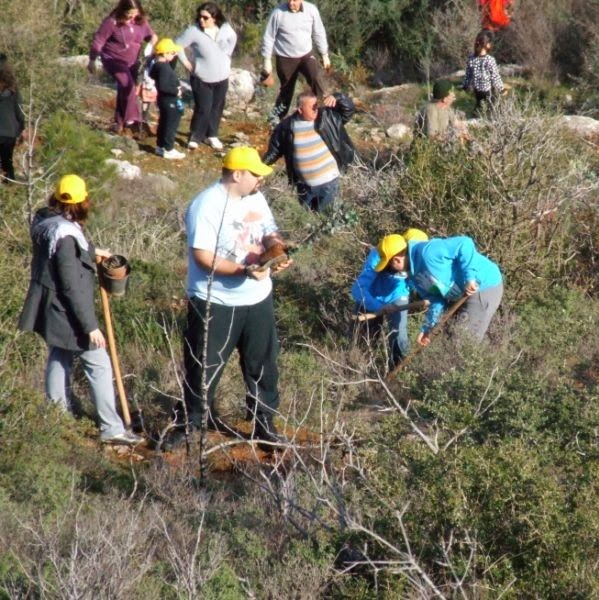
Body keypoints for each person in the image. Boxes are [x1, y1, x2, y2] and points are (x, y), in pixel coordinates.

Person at [166, 147, 292, 449]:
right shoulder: (206, 205)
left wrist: (277, 251)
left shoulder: (256, 198)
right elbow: (202, 257)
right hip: (215, 301)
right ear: (237, 174)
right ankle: (189, 424)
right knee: (204, 365)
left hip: (257, 299)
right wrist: (243, 270)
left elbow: (269, 231)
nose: (261, 179)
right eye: (255, 173)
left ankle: (264, 425)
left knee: (263, 364)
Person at [18, 175, 143, 446]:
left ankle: (56, 419)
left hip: (49, 306)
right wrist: (90, 327)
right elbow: (71, 285)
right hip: (67, 311)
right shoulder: (66, 238)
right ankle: (111, 429)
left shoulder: (45, 220)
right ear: (83, 201)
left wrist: (91, 250)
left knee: (59, 356)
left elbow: (69, 245)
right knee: (98, 363)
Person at [374, 233, 503, 347]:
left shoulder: (428, 251)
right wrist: (427, 328)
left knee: (462, 343)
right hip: (460, 295)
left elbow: (465, 243)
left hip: (484, 286)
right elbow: (435, 299)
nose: (391, 269)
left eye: (389, 265)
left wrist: (470, 278)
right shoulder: (414, 277)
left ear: (396, 260)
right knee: (449, 340)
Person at [262, 89, 354, 212]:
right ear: (300, 109)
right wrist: (257, 169)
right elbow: (273, 152)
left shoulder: (327, 117)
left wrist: (338, 97)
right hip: (304, 187)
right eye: (312, 107)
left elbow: (348, 110)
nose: (316, 108)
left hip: (329, 183)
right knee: (307, 222)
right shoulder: (285, 127)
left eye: (317, 105)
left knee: (327, 220)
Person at [352, 228, 428, 367]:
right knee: (363, 338)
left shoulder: (419, 260)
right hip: (371, 297)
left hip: (397, 297)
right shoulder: (380, 254)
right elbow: (358, 289)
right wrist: (378, 307)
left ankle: (399, 371)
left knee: (400, 335)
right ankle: (360, 369)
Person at [89, 0, 158, 134]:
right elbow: (98, 41)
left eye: (134, 13)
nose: (131, 17)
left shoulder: (140, 21)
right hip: (113, 59)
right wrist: (92, 60)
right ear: (122, 11)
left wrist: (151, 44)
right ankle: (133, 119)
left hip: (132, 61)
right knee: (128, 85)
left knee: (124, 90)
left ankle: (118, 123)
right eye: (129, 14)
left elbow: (152, 36)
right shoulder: (111, 22)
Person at [176, 2, 238, 151]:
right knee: (204, 107)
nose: (201, 20)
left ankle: (212, 135)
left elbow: (233, 39)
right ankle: (196, 136)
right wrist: (186, 63)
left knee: (217, 107)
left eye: (205, 17)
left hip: (222, 77)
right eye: (200, 17)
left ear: (215, 18)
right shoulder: (194, 31)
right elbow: (177, 45)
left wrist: (227, 57)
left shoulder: (225, 28)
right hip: (202, 77)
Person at [260, 0, 331, 126]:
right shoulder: (278, 13)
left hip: (306, 54)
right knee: (286, 89)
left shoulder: (311, 10)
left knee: (316, 79)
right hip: (285, 57)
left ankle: (322, 114)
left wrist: (324, 54)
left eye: (295, 0)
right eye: (289, 0)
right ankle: (275, 121)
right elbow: (269, 37)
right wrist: (267, 60)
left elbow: (319, 32)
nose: (292, 3)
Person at [150, 39, 185, 159]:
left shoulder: (157, 65)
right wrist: (177, 91)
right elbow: (163, 86)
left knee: (164, 122)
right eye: (173, 52)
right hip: (169, 100)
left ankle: (160, 147)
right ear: (164, 54)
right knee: (171, 124)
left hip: (163, 100)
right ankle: (169, 149)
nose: (175, 54)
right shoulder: (164, 68)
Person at [462, 31, 504, 115]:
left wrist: (465, 85)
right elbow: (495, 76)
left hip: (477, 90)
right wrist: (501, 88)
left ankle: (476, 118)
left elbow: (468, 74)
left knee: (479, 107)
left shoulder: (471, 58)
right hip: (487, 91)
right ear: (487, 44)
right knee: (490, 110)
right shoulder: (490, 60)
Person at [0, 56, 24, 183]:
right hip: (9, 132)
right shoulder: (12, 87)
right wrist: (21, 128)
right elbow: (19, 110)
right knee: (7, 163)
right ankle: (10, 190)